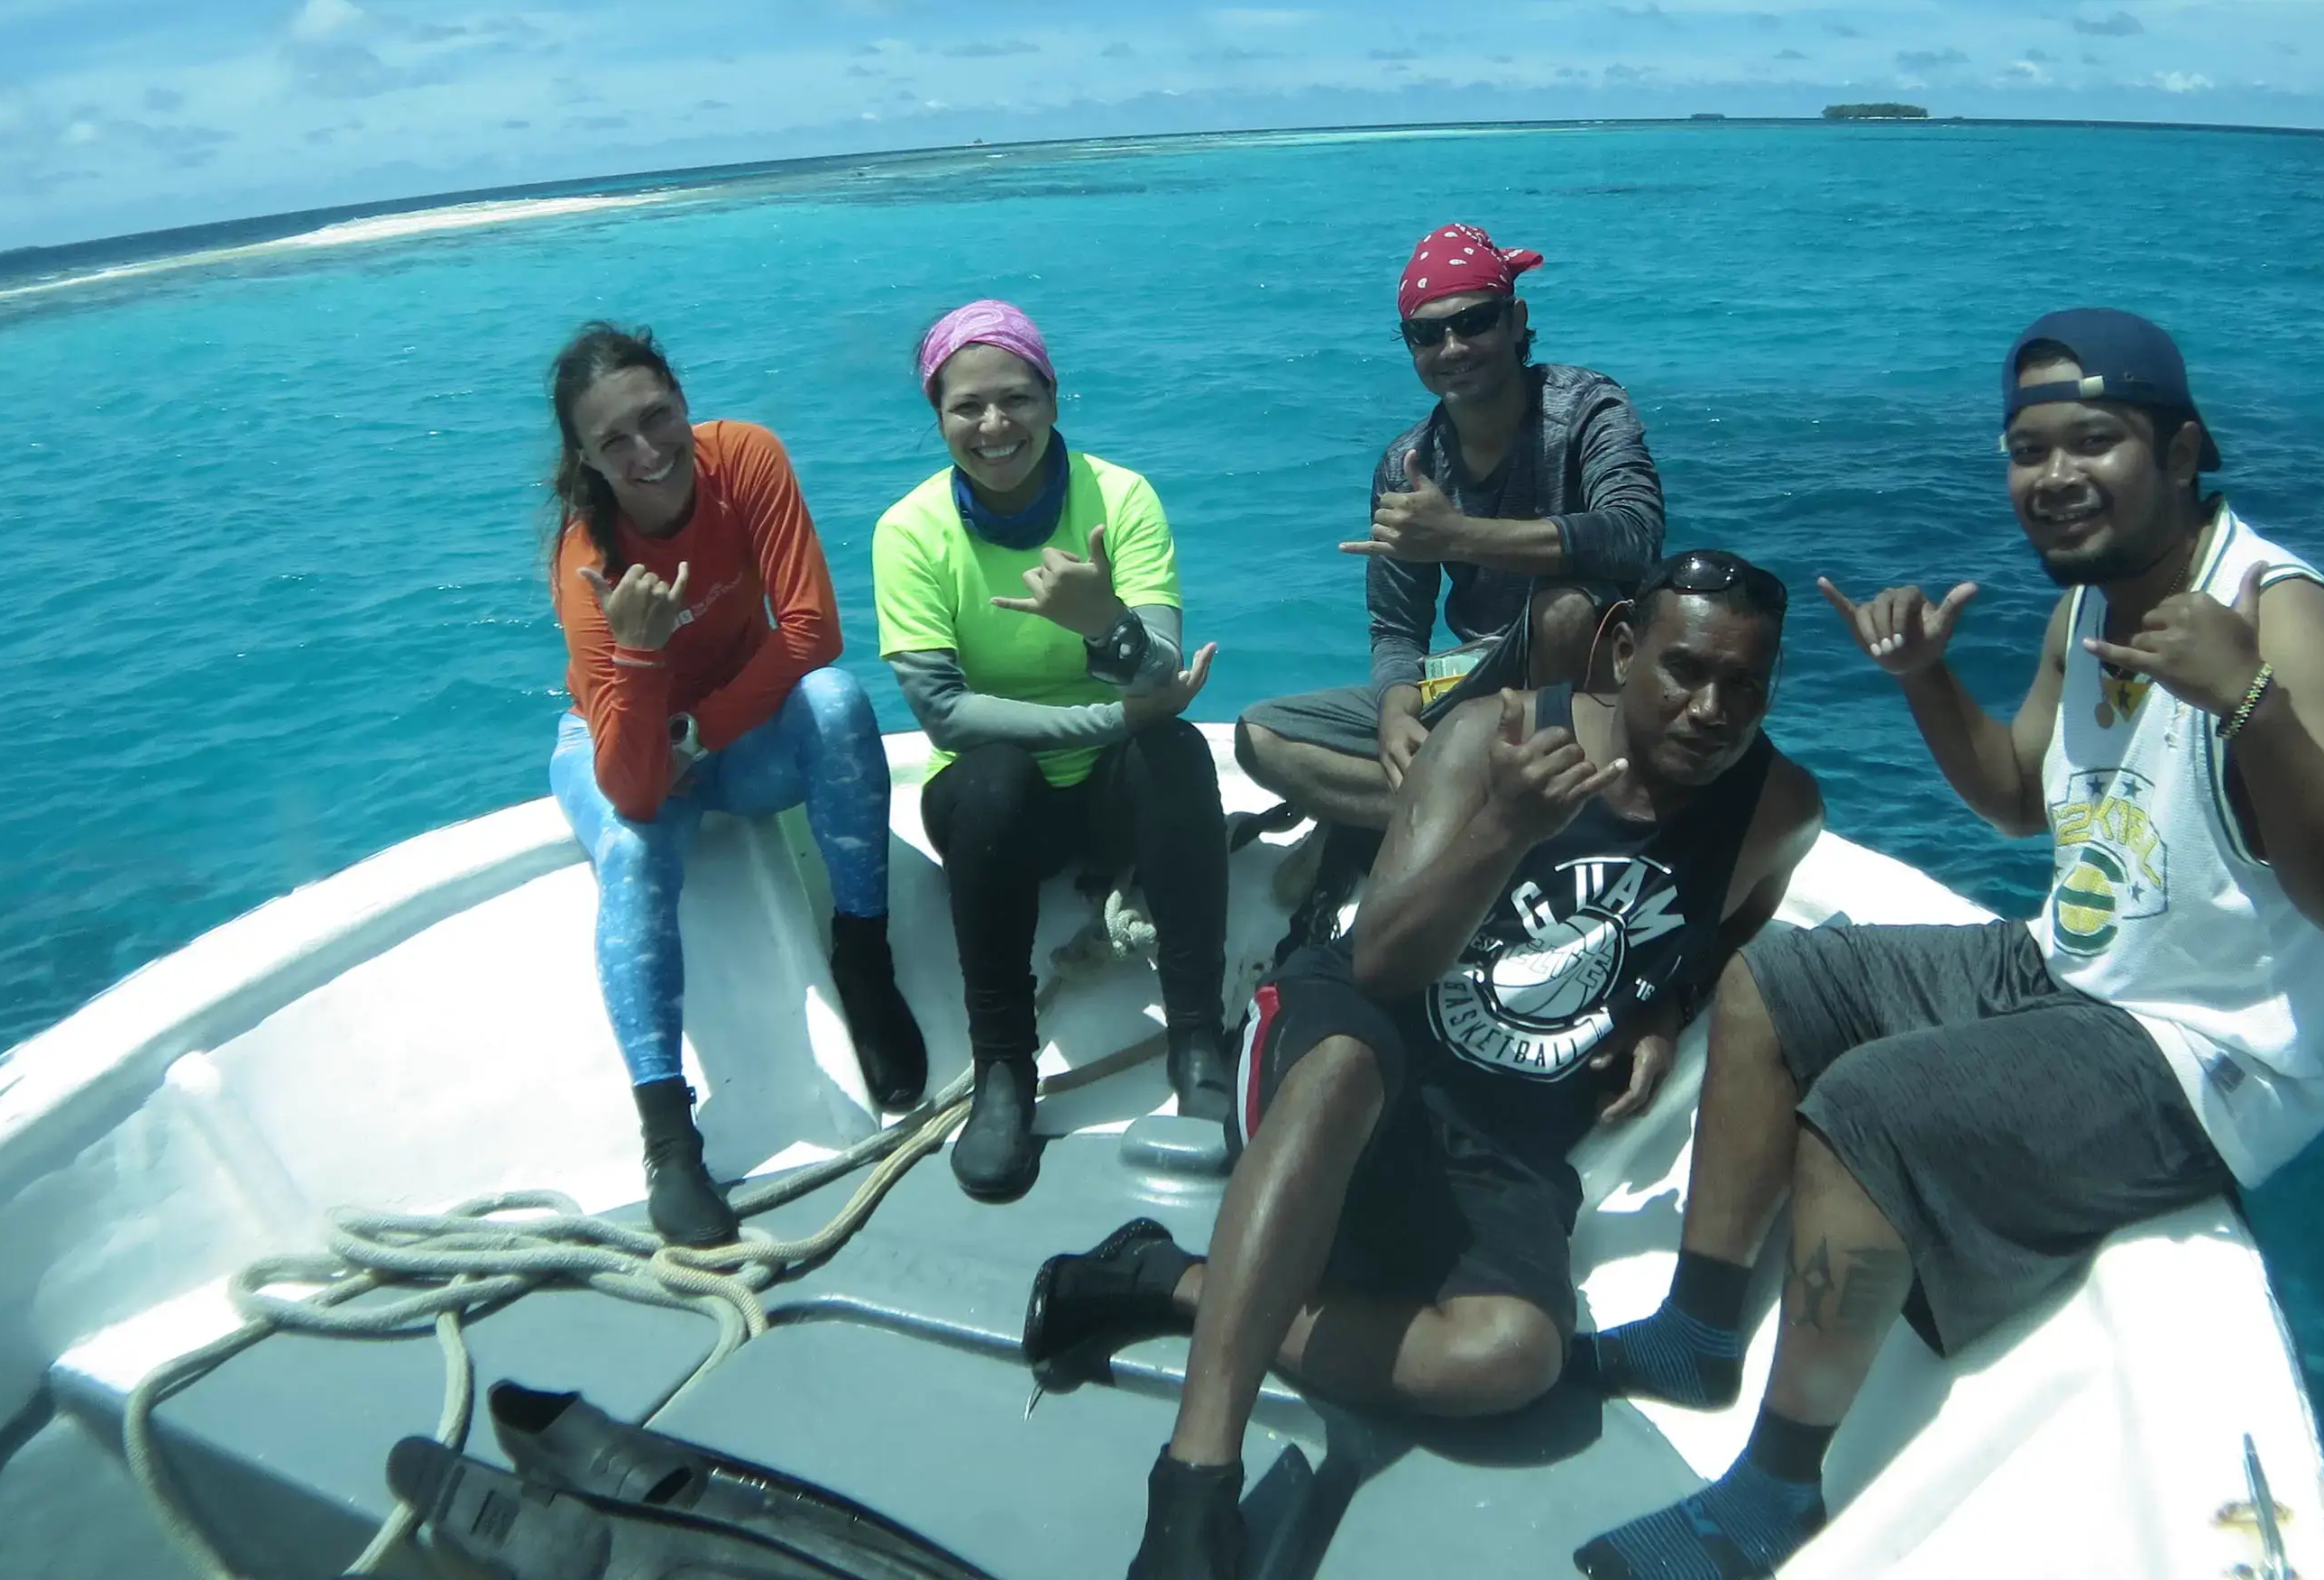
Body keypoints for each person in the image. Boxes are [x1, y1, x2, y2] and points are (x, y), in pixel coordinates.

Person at [1569, 309, 2324, 1580]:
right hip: (2076, 968)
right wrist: (1923, 681)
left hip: (2213, 1047)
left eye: (2096, 441)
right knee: (1777, 982)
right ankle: (1697, 1328)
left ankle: (1774, 1495)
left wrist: (2248, 700)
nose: (2054, 476)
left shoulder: (2276, 614)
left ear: (2183, 454)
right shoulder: (2091, 612)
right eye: (2028, 448)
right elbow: (2024, 798)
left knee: (1869, 1110)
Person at [1024, 554, 1823, 1580]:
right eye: (1685, 671)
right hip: (1361, 1037)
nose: (1714, 709)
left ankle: (1168, 1280)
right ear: (1623, 649)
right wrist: (1504, 828)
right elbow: (1383, 962)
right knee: (1347, 1065)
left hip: (1510, 1130)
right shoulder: (1492, 741)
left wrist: (1669, 1006)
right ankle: (1195, 1476)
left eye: (1745, 685)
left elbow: (1740, 920)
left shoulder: (1779, 808)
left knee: (1513, 1359)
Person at [544, 322, 925, 1252]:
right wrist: (638, 652)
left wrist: (701, 729)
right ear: (587, 460)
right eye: (614, 442)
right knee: (632, 852)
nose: (647, 451)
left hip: (729, 733)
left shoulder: (745, 459)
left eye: (657, 417)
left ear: (682, 399)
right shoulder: (585, 561)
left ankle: (864, 962)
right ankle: (669, 1137)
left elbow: (811, 633)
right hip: (623, 751)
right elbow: (632, 789)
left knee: (836, 704)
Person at [874, 300, 1228, 1204]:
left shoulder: (1121, 498)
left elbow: (1156, 672)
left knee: (1178, 755)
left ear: (1053, 397)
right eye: (968, 407)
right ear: (938, 417)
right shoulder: (909, 532)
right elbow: (947, 718)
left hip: (1114, 803)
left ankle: (1196, 1036)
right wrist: (1117, 717)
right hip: (999, 813)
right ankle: (1003, 1073)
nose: (995, 426)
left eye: (1017, 399)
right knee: (992, 778)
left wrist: (1104, 627)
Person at [1235, 223, 1666, 910]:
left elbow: (1634, 535)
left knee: (1566, 610)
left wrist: (1460, 534)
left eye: (1474, 323)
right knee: (1262, 736)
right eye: (1427, 334)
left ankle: (1529, 821)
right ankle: (1486, 820)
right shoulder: (1407, 462)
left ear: (1517, 320)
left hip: (1593, 679)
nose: (1452, 348)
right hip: (1476, 677)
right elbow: (1396, 627)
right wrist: (1396, 707)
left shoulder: (1587, 410)